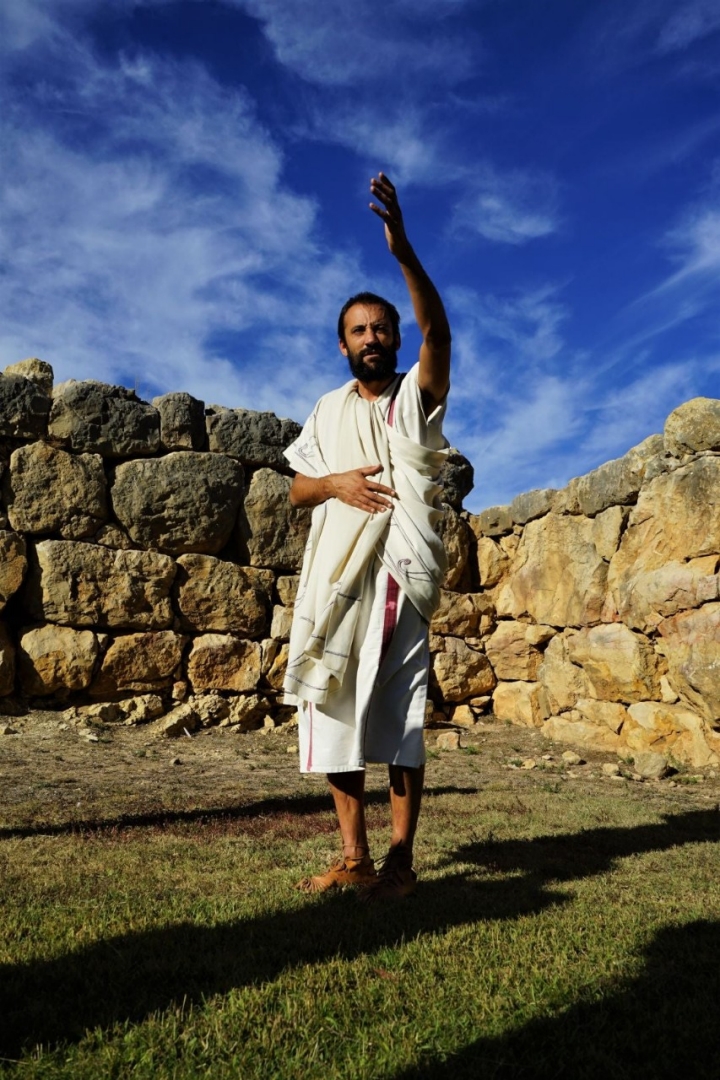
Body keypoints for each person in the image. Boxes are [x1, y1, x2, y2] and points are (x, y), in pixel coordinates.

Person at [283, 172, 451, 900]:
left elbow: (437, 333)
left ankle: (401, 863)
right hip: (337, 583)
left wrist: (405, 254)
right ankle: (354, 859)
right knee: (334, 712)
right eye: (360, 331)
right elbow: (296, 489)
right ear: (343, 345)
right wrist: (337, 485)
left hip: (399, 575)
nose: (373, 338)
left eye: (382, 328)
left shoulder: (415, 401)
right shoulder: (325, 411)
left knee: (399, 720)